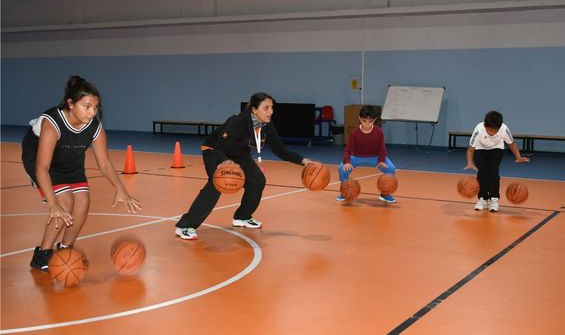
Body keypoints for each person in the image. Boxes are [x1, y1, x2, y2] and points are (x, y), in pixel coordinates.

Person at [22, 75, 142, 272]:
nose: (92, 112)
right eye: (87, 106)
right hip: (41, 159)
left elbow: (104, 163)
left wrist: (121, 188)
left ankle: (66, 248)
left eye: (96, 108)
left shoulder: (95, 127)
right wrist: (52, 203)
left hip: (70, 160)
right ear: (71, 104)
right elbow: (42, 167)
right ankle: (42, 254)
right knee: (65, 202)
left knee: (83, 201)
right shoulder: (52, 123)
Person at [174, 92, 320, 240]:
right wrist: (224, 161)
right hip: (215, 151)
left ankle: (242, 217)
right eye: (266, 108)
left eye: (272, 108)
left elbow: (279, 149)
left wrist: (303, 160)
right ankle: (185, 226)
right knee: (217, 184)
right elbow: (219, 147)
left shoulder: (267, 125)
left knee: (257, 181)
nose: (271, 111)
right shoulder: (237, 122)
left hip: (239, 153)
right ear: (254, 109)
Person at [463, 110, 529, 212]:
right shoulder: (479, 129)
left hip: (496, 149)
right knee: (483, 174)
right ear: (485, 125)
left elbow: (511, 144)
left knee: (493, 172)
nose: (492, 133)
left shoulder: (504, 129)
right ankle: (482, 199)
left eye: (495, 130)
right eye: (490, 130)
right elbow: (470, 150)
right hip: (480, 150)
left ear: (499, 127)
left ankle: (494, 199)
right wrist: (470, 163)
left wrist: (518, 157)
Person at [337, 105, 397, 203]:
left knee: (391, 168)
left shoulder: (379, 132)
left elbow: (382, 148)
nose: (367, 124)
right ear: (359, 118)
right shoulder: (354, 132)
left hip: (375, 156)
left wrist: (381, 160)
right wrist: (347, 162)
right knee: (341, 168)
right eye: (364, 121)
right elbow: (347, 150)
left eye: (370, 121)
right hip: (356, 156)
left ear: (375, 120)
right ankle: (345, 192)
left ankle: (385, 194)